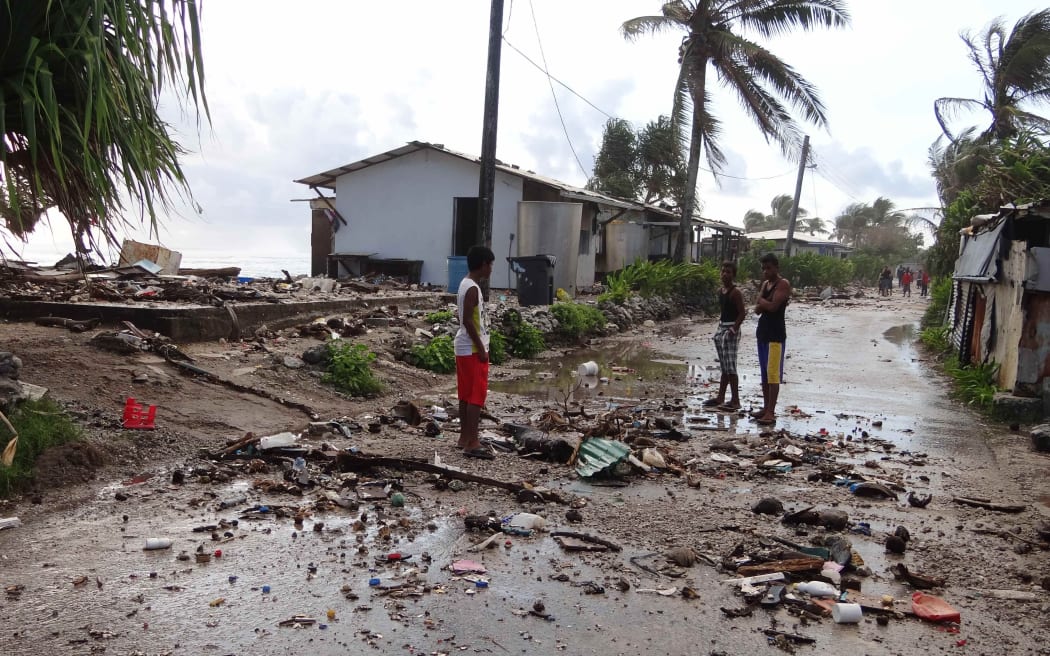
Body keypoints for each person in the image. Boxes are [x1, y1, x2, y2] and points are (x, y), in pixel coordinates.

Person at [455, 245, 496, 459]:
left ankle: (464, 437)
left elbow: (462, 317)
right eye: (490, 265)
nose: (491, 269)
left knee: (465, 394)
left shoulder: (465, 284)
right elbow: (468, 320)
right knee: (475, 396)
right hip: (471, 348)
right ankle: (472, 441)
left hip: (463, 346)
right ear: (483, 265)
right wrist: (481, 348)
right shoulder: (473, 288)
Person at [752, 253, 792, 425]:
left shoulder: (783, 284)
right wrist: (763, 303)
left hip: (775, 335)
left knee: (773, 374)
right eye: (764, 268)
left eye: (769, 268)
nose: (766, 271)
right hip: (763, 332)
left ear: (776, 267)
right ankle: (765, 406)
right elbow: (757, 310)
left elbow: (774, 307)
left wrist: (762, 301)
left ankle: (771, 411)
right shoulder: (766, 285)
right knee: (764, 373)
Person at [703, 261, 746, 411]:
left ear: (733, 275)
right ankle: (720, 397)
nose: (725, 274)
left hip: (731, 329)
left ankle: (735, 400)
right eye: (723, 271)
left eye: (728, 272)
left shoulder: (736, 293)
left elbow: (742, 313)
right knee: (724, 366)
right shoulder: (721, 291)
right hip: (722, 327)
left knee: (731, 366)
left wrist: (733, 329)